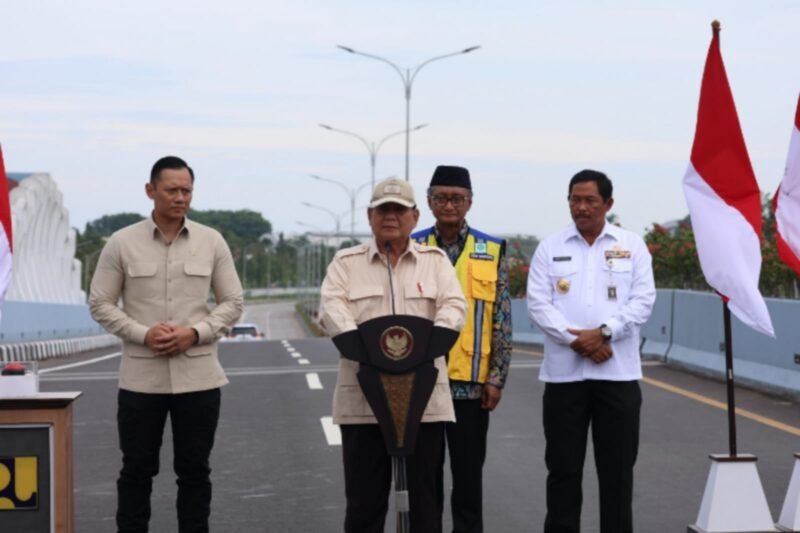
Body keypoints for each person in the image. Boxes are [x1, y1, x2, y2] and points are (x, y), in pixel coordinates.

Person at [89, 156, 243, 533]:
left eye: (186, 190)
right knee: (136, 471)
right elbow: (99, 302)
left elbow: (233, 302)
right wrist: (142, 333)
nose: (180, 198)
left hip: (200, 379)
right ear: (150, 191)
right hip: (142, 380)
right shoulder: (122, 243)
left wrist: (197, 332)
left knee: (195, 472)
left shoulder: (212, 241)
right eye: (172, 190)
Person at [319, 177, 467, 533]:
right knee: (363, 505)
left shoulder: (435, 263)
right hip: (363, 401)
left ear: (414, 216)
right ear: (370, 215)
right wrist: (370, 351)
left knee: (425, 504)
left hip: (424, 402)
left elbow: (454, 307)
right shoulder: (345, 263)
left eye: (398, 210)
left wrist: (426, 350)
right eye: (383, 209)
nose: (390, 216)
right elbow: (331, 311)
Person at [526, 169, 655, 533]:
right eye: (574, 200)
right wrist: (578, 342)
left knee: (617, 474)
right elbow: (538, 304)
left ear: (608, 204)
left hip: (618, 378)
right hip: (564, 378)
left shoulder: (632, 245)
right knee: (563, 471)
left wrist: (604, 333)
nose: (581, 207)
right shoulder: (550, 247)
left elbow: (643, 300)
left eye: (589, 201)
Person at [412, 165, 512, 533]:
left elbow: (501, 319)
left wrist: (497, 378)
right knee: (424, 478)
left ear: (469, 202)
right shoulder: (414, 246)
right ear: (428, 202)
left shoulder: (491, 249)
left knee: (469, 480)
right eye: (442, 198)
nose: (449, 205)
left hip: (471, 386)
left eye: (457, 198)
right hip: (423, 383)